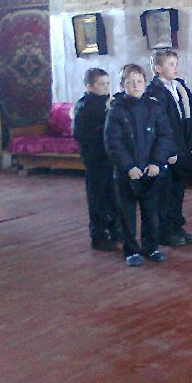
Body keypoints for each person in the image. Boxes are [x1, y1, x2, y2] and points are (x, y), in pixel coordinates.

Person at [104, 63, 175, 266]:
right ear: (122, 85)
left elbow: (165, 135)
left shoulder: (155, 107)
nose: (135, 86)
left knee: (151, 213)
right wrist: (128, 167)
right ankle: (131, 251)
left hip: (151, 170)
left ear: (145, 83)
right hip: (127, 173)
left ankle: (151, 247)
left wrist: (157, 162)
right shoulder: (116, 110)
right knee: (126, 214)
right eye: (130, 82)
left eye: (139, 81)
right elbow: (113, 142)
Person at [146, 49, 192, 248]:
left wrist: (190, 144)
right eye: (171, 64)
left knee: (178, 190)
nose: (176, 68)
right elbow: (161, 124)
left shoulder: (179, 87)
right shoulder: (154, 92)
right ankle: (164, 231)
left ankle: (176, 225)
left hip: (182, 147)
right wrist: (168, 151)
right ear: (158, 68)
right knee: (165, 193)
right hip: (167, 150)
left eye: (176, 64)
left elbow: (187, 118)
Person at [72, 67, 120, 251]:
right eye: (101, 84)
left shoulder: (109, 102)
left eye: (108, 83)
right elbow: (82, 134)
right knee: (97, 198)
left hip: (109, 158)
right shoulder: (85, 106)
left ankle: (115, 229)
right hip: (95, 159)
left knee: (113, 196)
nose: (106, 87)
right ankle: (98, 236)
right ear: (89, 86)